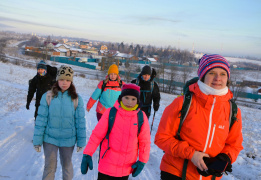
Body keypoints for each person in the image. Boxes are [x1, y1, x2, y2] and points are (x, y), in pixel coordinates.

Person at [154, 54, 243, 180]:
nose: (218, 78)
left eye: (223, 74)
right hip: (175, 173)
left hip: (209, 176)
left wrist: (226, 158)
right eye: (212, 73)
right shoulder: (182, 103)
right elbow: (162, 138)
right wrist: (191, 155)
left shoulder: (233, 111)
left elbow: (234, 145)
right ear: (202, 75)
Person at [81, 84, 151, 179]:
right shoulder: (111, 112)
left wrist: (143, 160)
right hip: (107, 164)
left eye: (133, 99)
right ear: (121, 98)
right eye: (126, 98)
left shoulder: (141, 117)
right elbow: (97, 135)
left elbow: (145, 142)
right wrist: (87, 153)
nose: (129, 102)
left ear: (138, 101)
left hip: (125, 167)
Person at [33, 65, 86, 180]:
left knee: (67, 167)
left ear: (71, 81)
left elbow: (80, 121)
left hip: (68, 140)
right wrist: (37, 141)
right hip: (50, 139)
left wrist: (81, 141)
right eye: (61, 79)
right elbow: (41, 119)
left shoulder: (76, 99)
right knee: (49, 167)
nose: (64, 83)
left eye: (67, 80)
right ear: (57, 80)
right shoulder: (48, 96)